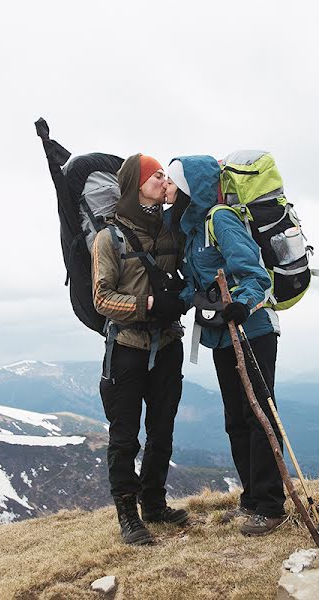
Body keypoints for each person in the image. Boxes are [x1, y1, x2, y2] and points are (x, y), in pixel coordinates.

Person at [165, 156, 287, 537]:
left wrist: (242, 302)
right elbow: (198, 285)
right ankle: (252, 497)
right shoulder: (191, 228)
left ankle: (271, 505)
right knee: (236, 417)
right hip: (220, 333)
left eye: (172, 182)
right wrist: (179, 295)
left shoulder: (219, 219)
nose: (167, 188)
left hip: (252, 330)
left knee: (259, 414)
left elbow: (254, 274)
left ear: (190, 188)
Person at [91, 153, 189, 545]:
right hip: (128, 349)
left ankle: (154, 502)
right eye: (155, 176)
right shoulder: (108, 238)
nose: (162, 181)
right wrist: (145, 305)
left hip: (167, 345)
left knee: (161, 430)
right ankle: (128, 516)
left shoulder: (168, 230)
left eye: (164, 175)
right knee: (125, 437)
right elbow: (101, 298)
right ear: (136, 185)